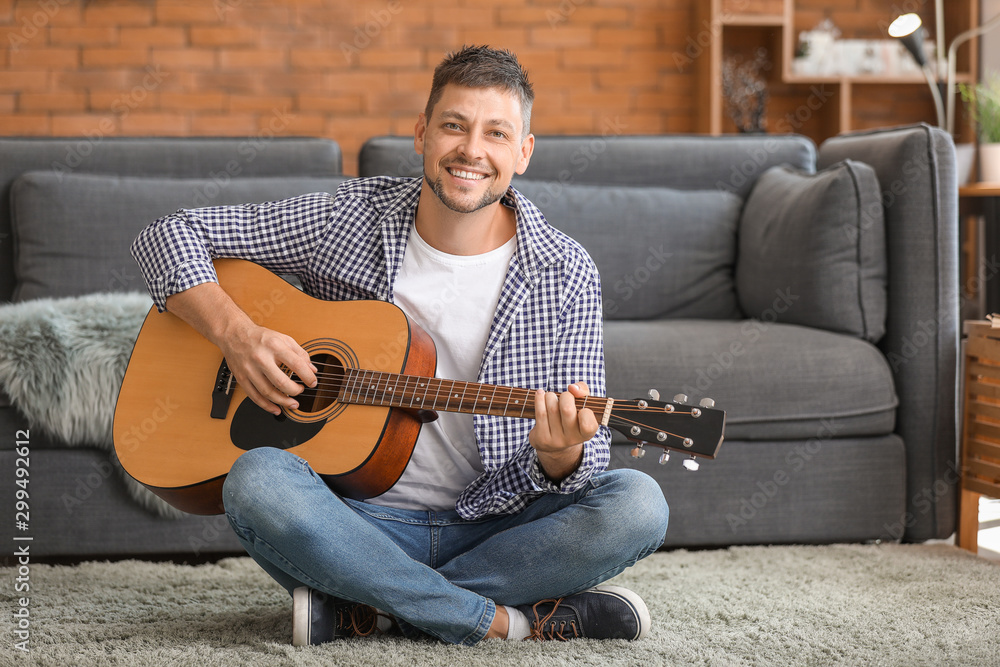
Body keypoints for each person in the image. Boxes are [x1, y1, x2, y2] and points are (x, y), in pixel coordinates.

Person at [131, 45, 669, 646]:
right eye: (454, 126)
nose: (472, 150)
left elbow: (585, 469)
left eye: (496, 133)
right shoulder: (346, 217)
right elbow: (167, 234)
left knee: (638, 503)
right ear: (422, 132)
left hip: (493, 527)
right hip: (356, 520)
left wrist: (557, 455)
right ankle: (500, 621)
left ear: (523, 152)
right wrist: (239, 336)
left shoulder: (564, 271)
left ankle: (375, 605)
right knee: (257, 480)